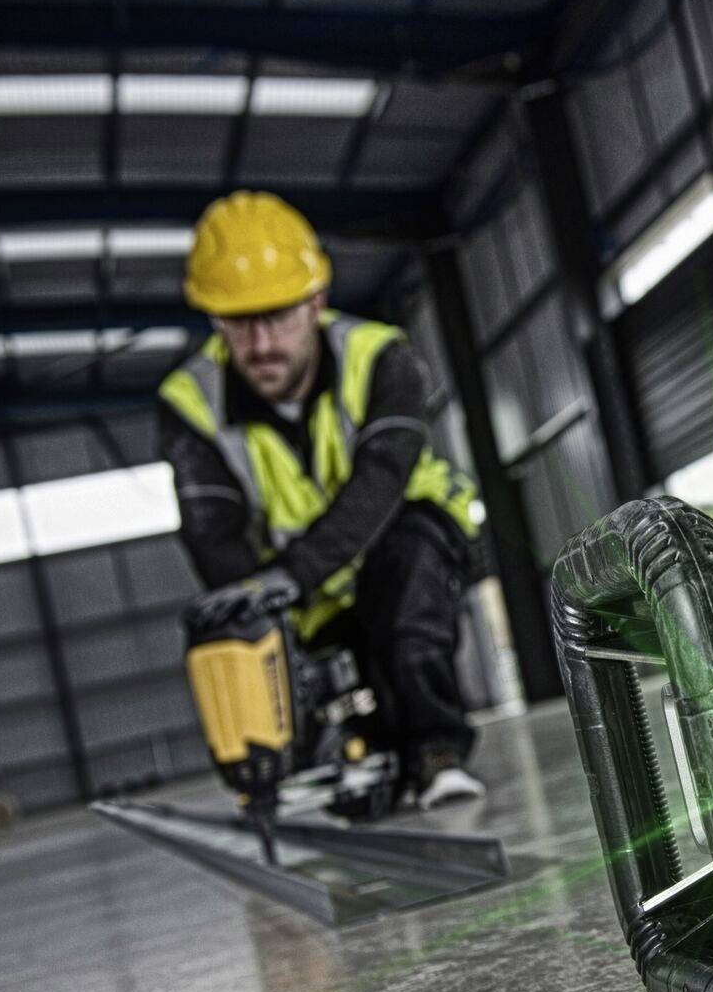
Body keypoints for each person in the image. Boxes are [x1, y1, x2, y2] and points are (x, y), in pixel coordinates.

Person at [157, 189, 487, 810]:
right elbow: (212, 534)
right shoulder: (188, 401)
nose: (258, 345)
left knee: (407, 583)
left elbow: (382, 481)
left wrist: (289, 578)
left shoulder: (381, 357)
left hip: (403, 539)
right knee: (234, 624)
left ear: (316, 303)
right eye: (237, 323)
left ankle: (438, 752)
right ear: (213, 321)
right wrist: (257, 617)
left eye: (276, 317)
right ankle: (302, 762)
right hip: (303, 592)